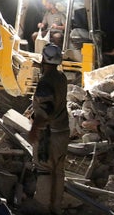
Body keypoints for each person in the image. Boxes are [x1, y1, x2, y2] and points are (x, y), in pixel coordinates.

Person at [28, 43, 69, 215]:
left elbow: (45, 110)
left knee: (44, 170)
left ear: (43, 58)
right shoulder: (61, 77)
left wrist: (34, 129)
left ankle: (42, 209)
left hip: (49, 134)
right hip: (63, 131)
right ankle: (56, 209)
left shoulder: (45, 82)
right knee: (58, 172)